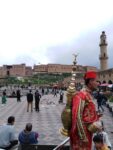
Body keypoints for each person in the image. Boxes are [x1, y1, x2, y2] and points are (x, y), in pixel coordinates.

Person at [70, 71, 102, 150]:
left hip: (88, 133)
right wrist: (83, 137)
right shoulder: (81, 95)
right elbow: (77, 116)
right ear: (90, 82)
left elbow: (86, 113)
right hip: (81, 137)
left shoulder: (88, 95)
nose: (98, 83)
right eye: (96, 81)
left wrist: (96, 115)